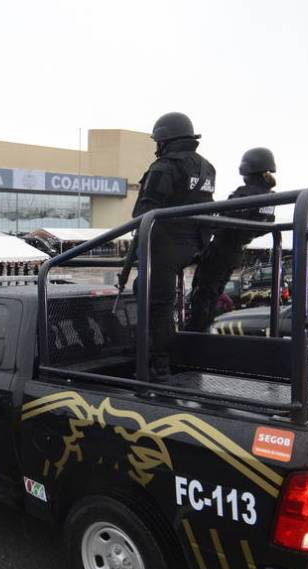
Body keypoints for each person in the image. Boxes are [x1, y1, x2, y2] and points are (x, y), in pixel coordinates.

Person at [129, 111, 216, 378]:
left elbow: (144, 212)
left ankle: (159, 365)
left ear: (164, 140)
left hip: (165, 246)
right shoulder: (207, 167)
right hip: (195, 246)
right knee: (156, 297)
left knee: (156, 305)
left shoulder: (163, 167)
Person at [188, 147, 278, 331]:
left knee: (203, 294)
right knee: (213, 294)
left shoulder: (246, 194)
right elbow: (262, 227)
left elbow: (225, 220)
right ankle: (203, 330)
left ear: (247, 169)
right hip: (236, 251)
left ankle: (195, 334)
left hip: (222, 249)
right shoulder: (270, 196)